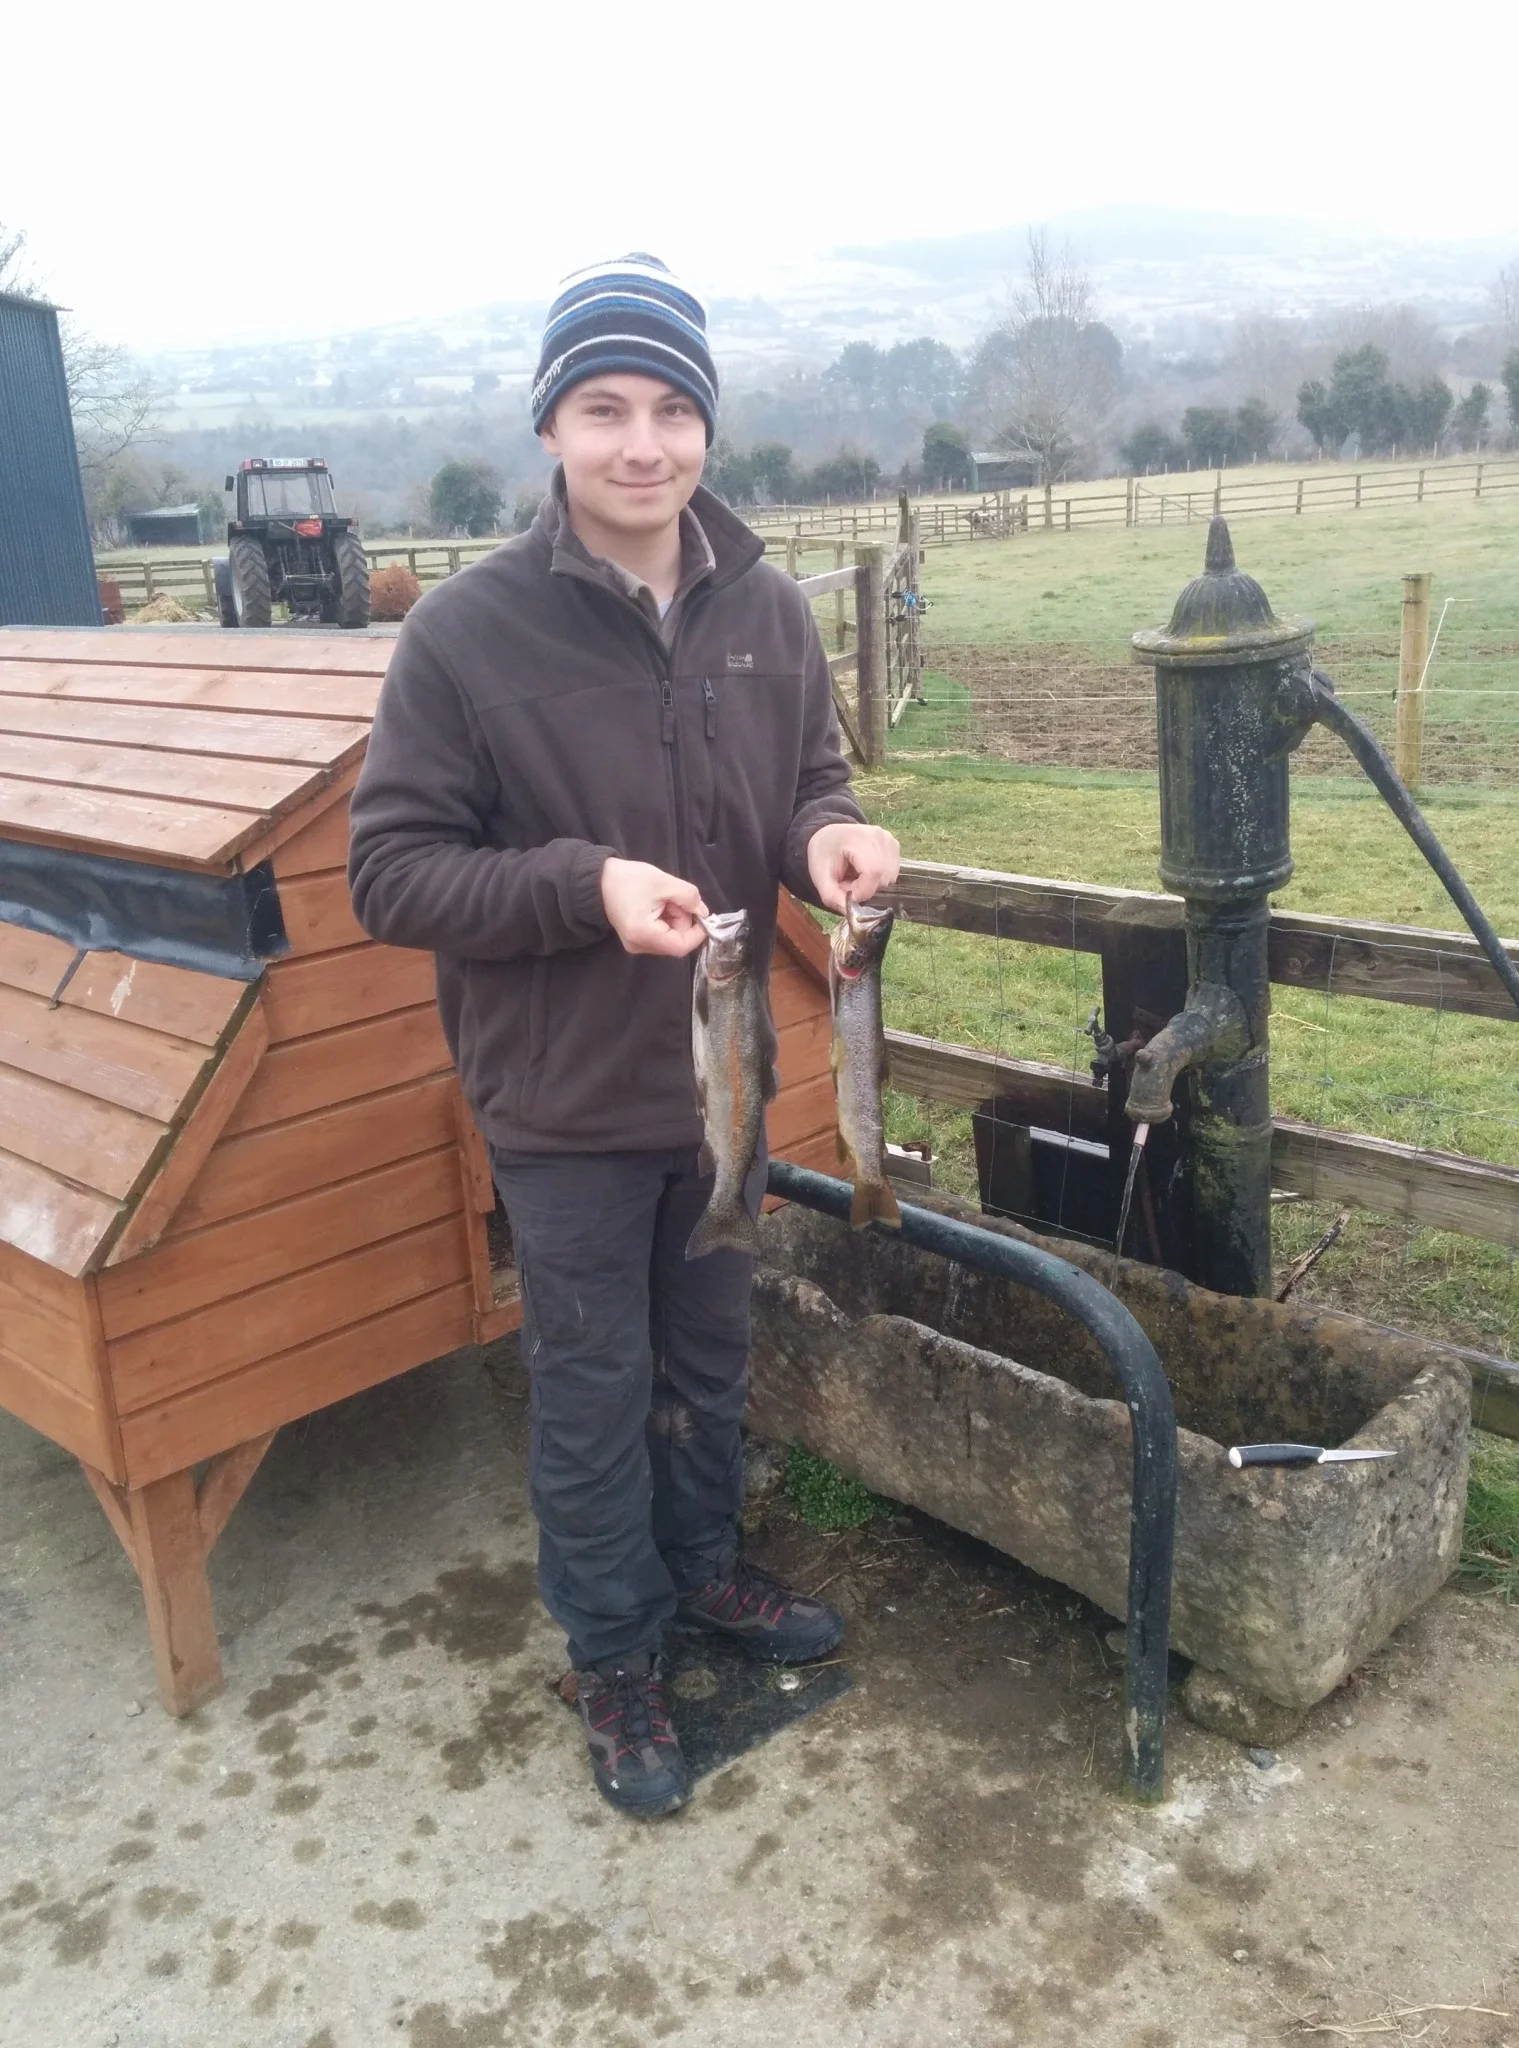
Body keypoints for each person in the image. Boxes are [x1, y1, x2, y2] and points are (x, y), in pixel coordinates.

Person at [348, 254, 900, 1819]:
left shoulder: (771, 610)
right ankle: (617, 1655)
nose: (641, 442)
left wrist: (833, 841)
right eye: (605, 409)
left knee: (711, 1359)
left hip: (724, 1091)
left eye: (672, 409)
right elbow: (389, 872)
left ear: (708, 430)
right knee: (594, 1389)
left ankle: (707, 1569)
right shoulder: (465, 633)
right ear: (550, 429)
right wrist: (582, 886)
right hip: (565, 1103)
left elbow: (808, 784)